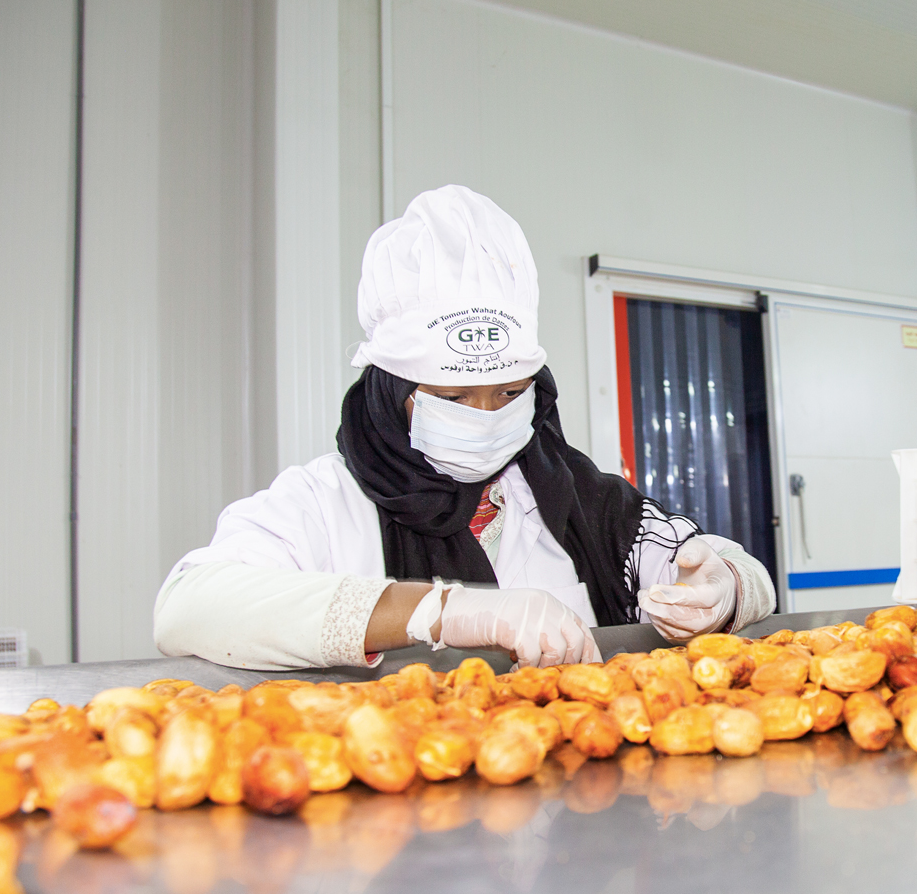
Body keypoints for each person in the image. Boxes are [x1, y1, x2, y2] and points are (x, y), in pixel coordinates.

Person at [154, 185, 775, 671]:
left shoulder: (577, 501)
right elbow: (188, 607)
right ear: (391, 390)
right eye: (452, 395)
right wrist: (440, 612)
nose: (484, 417)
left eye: (508, 392)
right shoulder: (323, 504)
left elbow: (722, 568)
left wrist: (725, 583)